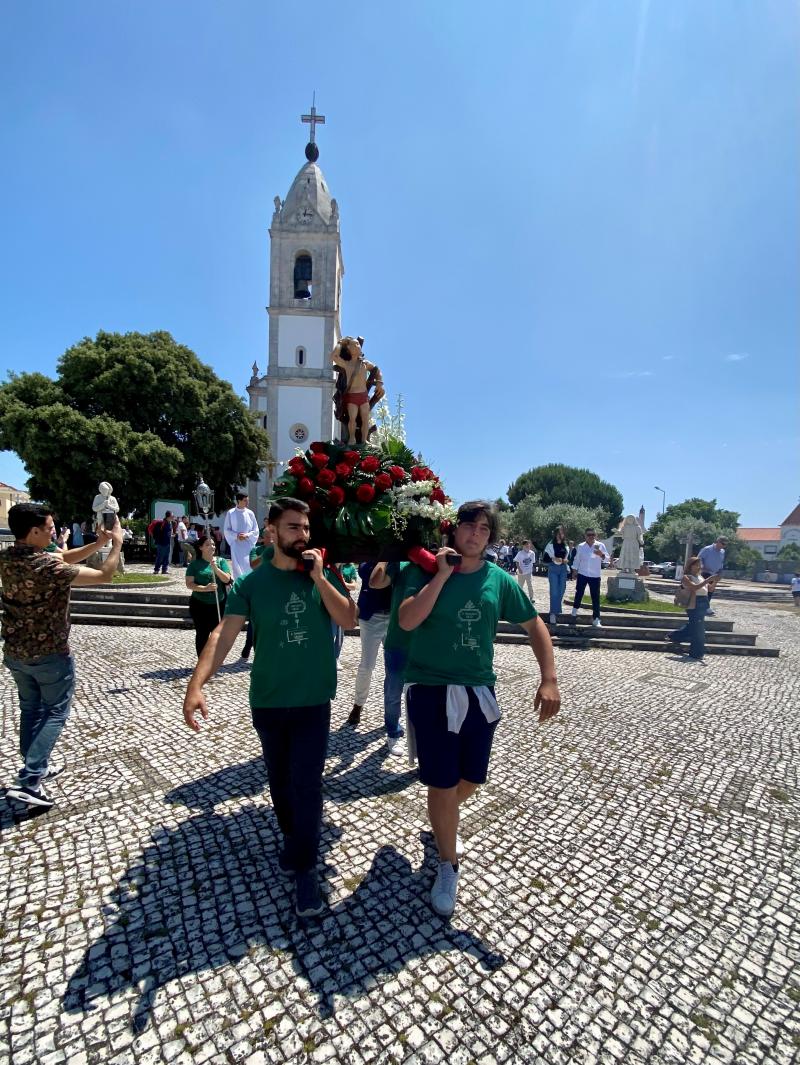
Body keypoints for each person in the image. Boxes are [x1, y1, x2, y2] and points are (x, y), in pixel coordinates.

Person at [182, 497, 356, 918]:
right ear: (272, 531)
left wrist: (318, 578)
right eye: (294, 527)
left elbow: (349, 620)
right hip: (269, 700)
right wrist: (196, 684)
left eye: (307, 528)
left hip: (314, 700)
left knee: (308, 784)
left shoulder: (320, 573)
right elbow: (222, 634)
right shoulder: (252, 584)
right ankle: (294, 841)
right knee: (279, 782)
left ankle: (305, 866)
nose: (303, 535)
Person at [398, 501, 561, 917]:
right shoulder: (419, 571)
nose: (476, 534)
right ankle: (448, 863)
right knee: (442, 782)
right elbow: (407, 621)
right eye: (469, 526)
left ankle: (442, 824)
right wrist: (441, 574)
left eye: (484, 529)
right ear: (453, 531)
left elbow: (534, 625)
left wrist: (549, 677)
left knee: (471, 778)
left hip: (479, 692)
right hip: (431, 689)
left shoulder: (498, 580)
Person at [1, 503, 124, 809]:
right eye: (50, 528)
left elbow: (63, 556)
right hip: (49, 654)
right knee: (56, 712)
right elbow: (104, 575)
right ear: (34, 532)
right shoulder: (47, 569)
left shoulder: (8, 558)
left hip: (16, 652)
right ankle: (30, 780)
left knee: (31, 710)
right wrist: (117, 544)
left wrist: (98, 543)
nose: (55, 531)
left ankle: (36, 767)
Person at [363, 560, 414, 755]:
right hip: (398, 640)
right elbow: (375, 582)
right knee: (393, 691)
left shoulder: (438, 563)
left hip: (426, 642)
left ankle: (422, 738)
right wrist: (387, 555)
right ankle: (393, 732)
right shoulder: (399, 564)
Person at [349, 562, 392, 731]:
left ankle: (392, 712)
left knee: (394, 668)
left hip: (393, 616)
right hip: (371, 616)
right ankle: (358, 704)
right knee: (367, 666)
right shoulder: (367, 562)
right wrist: (385, 558)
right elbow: (371, 577)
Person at [185, 535, 233, 656]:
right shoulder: (195, 564)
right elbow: (189, 584)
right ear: (200, 547)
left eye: (213, 544)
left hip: (218, 604)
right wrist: (205, 588)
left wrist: (215, 568)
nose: (211, 546)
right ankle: (202, 661)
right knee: (202, 634)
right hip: (199, 605)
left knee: (218, 635)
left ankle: (213, 661)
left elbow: (227, 579)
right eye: (207, 544)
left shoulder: (221, 561)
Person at [666, 555, 718, 661]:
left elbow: (709, 590)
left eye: (700, 565)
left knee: (694, 626)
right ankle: (696, 653)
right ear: (690, 566)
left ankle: (675, 636)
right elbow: (694, 588)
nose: (699, 567)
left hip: (703, 603)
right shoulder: (686, 577)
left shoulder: (700, 577)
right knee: (699, 629)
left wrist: (714, 581)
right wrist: (708, 580)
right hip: (694, 604)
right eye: (696, 565)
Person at [241, 526, 274, 660]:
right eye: (268, 537)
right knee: (254, 621)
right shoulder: (256, 550)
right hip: (259, 590)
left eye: (273, 537)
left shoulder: (280, 551)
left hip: (274, 590)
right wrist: (267, 553)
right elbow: (253, 565)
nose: (271, 540)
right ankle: (250, 644)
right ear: (263, 538)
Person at [570, 529, 610, 627]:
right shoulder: (581, 546)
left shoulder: (600, 545)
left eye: (593, 534)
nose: (591, 536)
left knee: (595, 597)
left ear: (596, 535)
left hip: (595, 575)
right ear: (585, 536)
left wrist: (602, 555)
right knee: (579, 592)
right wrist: (574, 571)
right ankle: (575, 609)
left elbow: (608, 559)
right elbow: (577, 559)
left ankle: (596, 619)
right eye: (589, 534)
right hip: (583, 573)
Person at [223, 492, 259, 579]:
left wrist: (247, 535)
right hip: (236, 545)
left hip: (248, 545)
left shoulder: (250, 513)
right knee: (237, 568)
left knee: (249, 566)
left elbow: (255, 530)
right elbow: (226, 530)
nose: (247, 502)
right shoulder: (231, 513)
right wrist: (236, 536)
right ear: (238, 501)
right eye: (245, 500)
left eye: (248, 500)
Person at [542, 526, 569, 625]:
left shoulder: (565, 546)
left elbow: (567, 558)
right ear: (556, 533)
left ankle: (556, 609)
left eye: (562, 533)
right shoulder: (550, 545)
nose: (561, 534)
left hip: (563, 569)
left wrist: (566, 560)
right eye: (560, 532)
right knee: (554, 590)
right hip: (553, 568)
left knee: (562, 589)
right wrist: (553, 559)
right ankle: (553, 613)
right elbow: (544, 559)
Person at [698, 536, 727, 616]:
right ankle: (705, 608)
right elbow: (699, 558)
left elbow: (721, 562)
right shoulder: (707, 549)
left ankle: (705, 607)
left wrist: (720, 570)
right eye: (722, 543)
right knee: (705, 590)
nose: (723, 546)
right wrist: (702, 566)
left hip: (715, 574)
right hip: (705, 572)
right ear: (717, 541)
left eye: (725, 544)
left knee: (711, 590)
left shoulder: (722, 552)